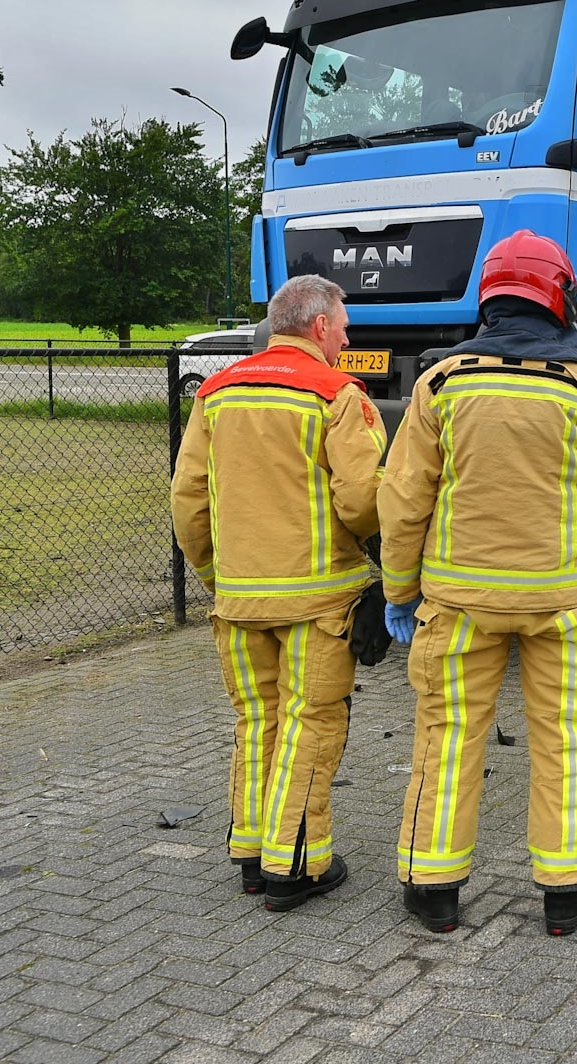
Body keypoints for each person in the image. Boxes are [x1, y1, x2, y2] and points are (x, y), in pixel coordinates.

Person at [380, 230, 577, 935]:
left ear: (489, 297)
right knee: (565, 739)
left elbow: (405, 498)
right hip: (562, 606)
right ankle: (566, 893)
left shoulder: (440, 385)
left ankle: (433, 887)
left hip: (457, 604)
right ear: (559, 297)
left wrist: (398, 591)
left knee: (446, 736)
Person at [168, 275, 387, 909]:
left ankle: (253, 854)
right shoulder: (338, 395)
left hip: (237, 602)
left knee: (256, 720)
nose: (346, 341)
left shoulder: (215, 392)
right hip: (317, 604)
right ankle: (295, 866)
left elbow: (189, 505)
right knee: (309, 725)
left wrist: (218, 577)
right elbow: (362, 501)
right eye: (343, 328)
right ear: (319, 327)